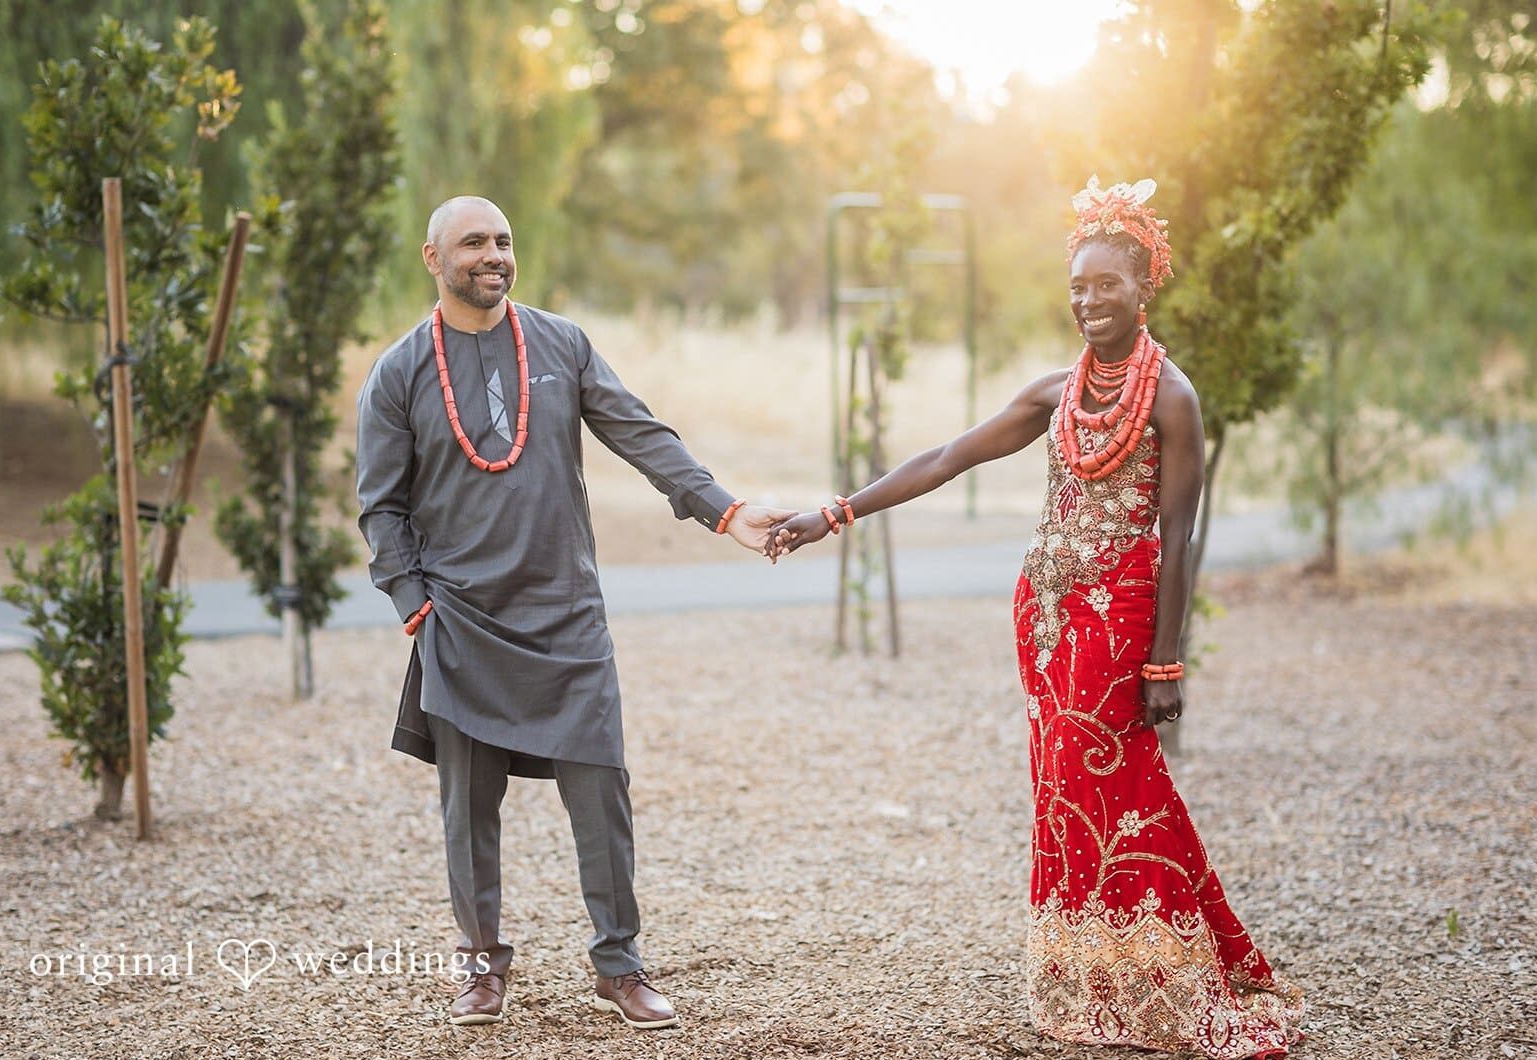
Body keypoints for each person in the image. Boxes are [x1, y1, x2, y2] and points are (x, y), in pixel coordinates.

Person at [768, 178, 1305, 1058]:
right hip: (1045, 616)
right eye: (1078, 288)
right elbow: (947, 457)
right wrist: (835, 514)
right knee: (1061, 788)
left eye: (1107, 286)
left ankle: (1162, 969)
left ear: (1144, 286)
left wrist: (1165, 662)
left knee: (1120, 782)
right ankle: (1089, 971)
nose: (1089, 302)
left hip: (1119, 613)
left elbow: (1178, 534)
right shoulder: (1053, 391)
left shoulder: (1172, 397)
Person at [356, 196, 793, 1030]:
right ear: (432, 258)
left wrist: (724, 510)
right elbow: (381, 507)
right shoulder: (400, 371)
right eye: (474, 242)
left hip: (565, 614)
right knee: (467, 806)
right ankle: (480, 968)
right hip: (462, 620)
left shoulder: (561, 343)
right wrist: (413, 604)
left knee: (601, 791)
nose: (493, 254)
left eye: (504, 241)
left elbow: (640, 433)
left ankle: (619, 964)